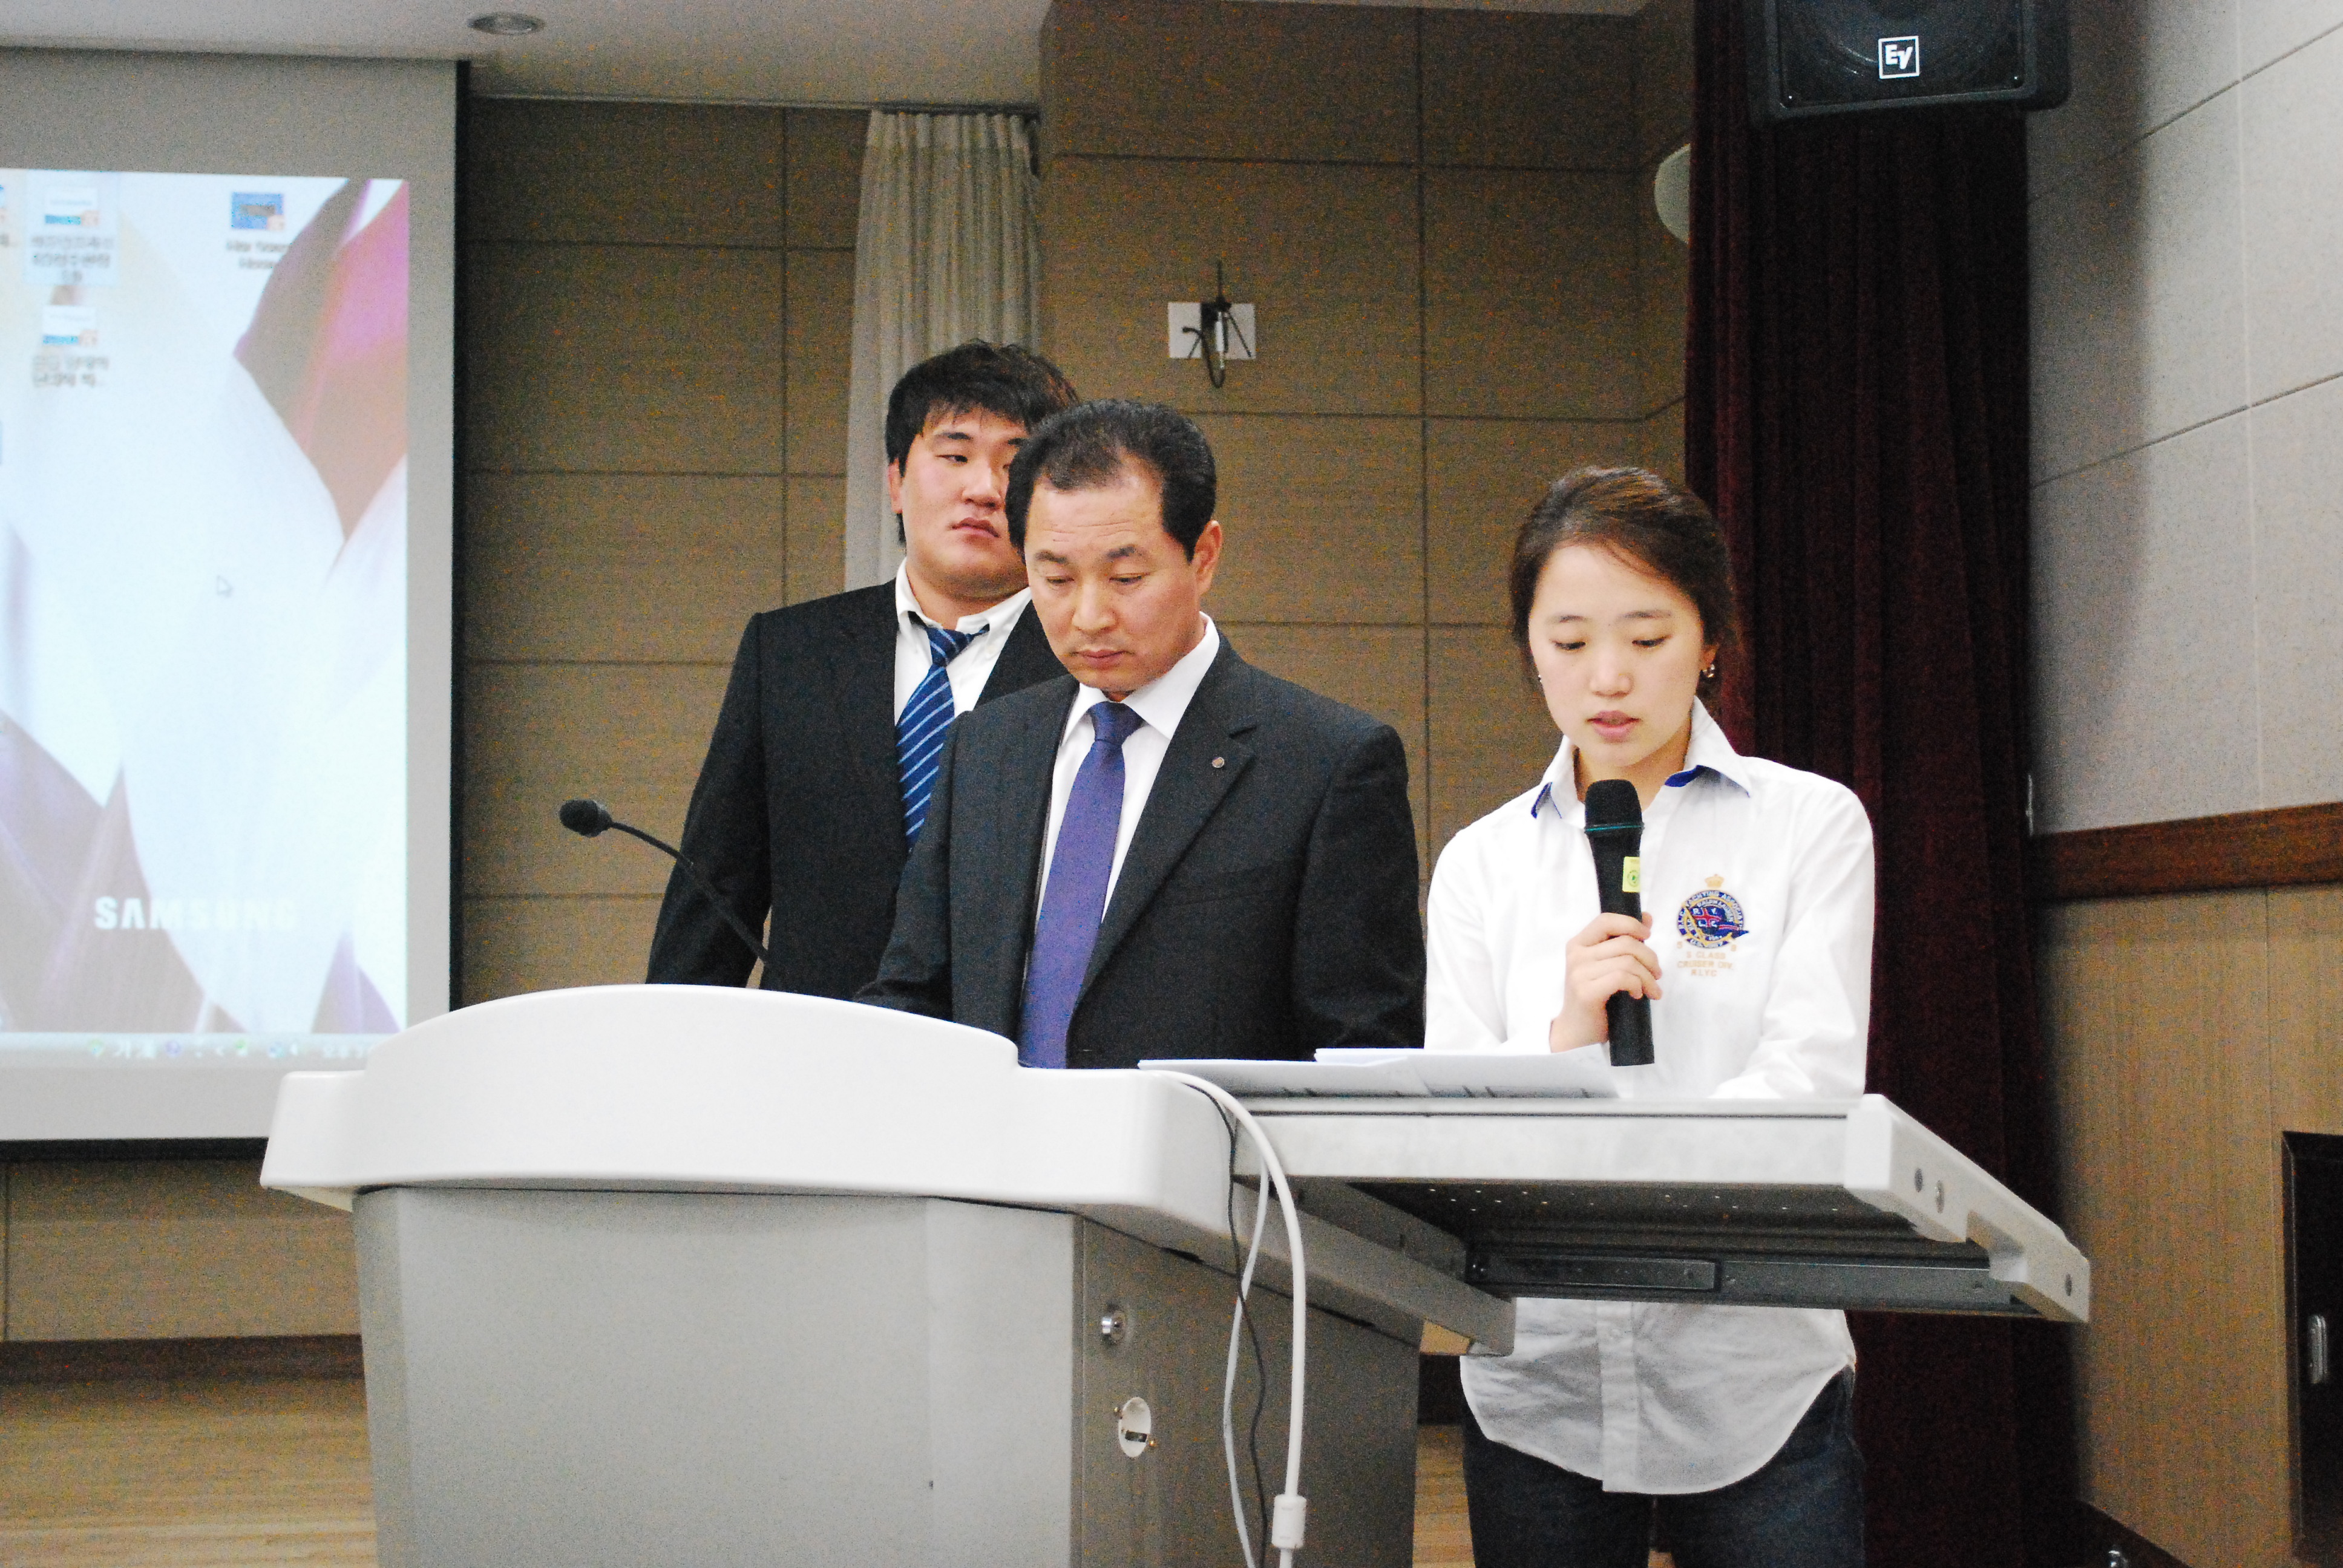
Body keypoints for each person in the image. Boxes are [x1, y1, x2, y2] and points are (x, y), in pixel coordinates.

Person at [1425, 467, 1873, 1567]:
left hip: (1750, 1370)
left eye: (1647, 636)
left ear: (1710, 639)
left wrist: (1630, 1175)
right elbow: (1447, 1120)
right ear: (1529, 647)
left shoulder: (1807, 824)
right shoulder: (1482, 862)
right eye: (1569, 640)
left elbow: (1810, 1085)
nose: (1608, 677)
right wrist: (1563, 1043)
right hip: (1540, 1376)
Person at [858, 399, 1423, 1067]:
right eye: (1055, 578)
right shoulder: (986, 747)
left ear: (1203, 556)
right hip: (998, 1134)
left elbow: (1360, 1053)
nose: (1089, 615)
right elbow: (915, 993)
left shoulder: (1324, 763)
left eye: (1125, 578)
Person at [646, 341, 1077, 998]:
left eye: (1015, 465)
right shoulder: (789, 653)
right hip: (819, 1042)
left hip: (1008, 1046)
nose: (984, 489)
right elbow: (716, 889)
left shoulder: (1087, 666)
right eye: (955, 456)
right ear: (896, 481)